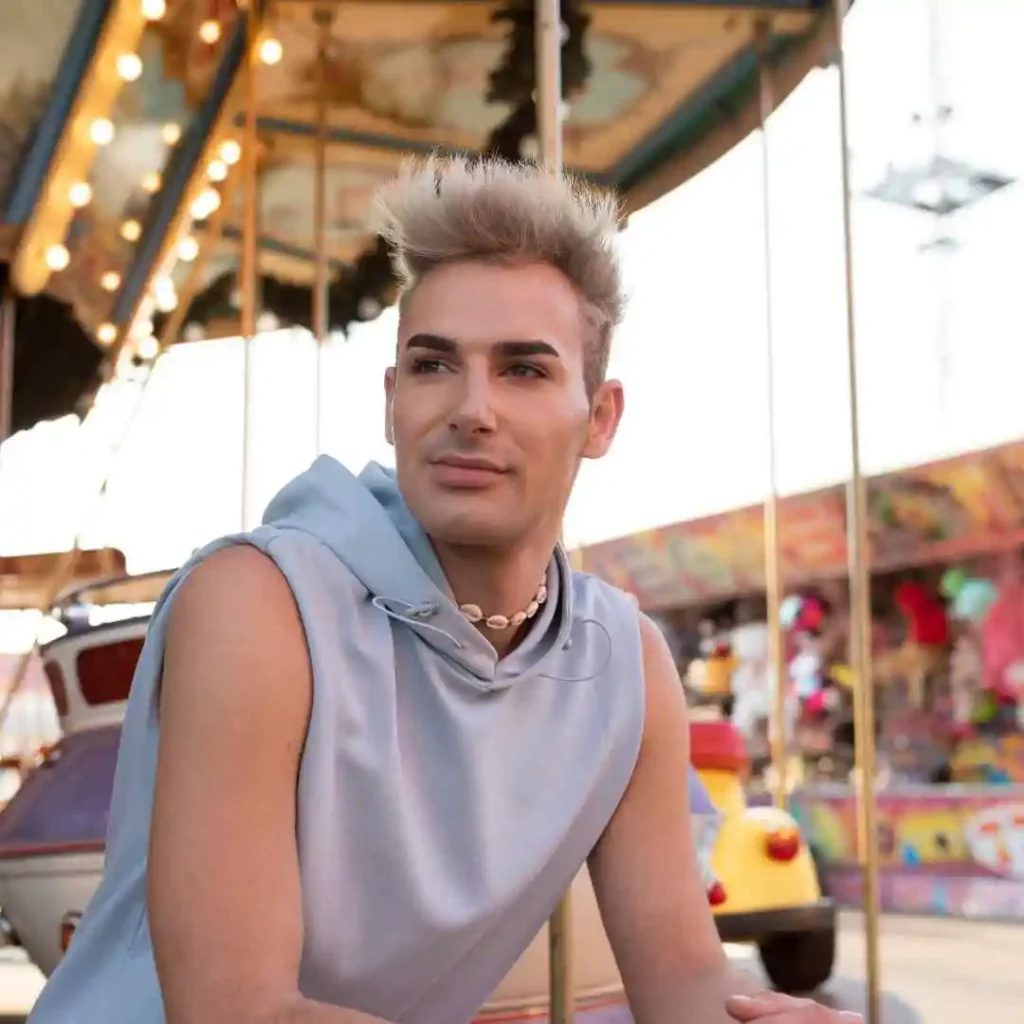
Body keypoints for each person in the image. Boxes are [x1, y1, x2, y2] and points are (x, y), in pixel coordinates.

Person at [29, 157, 859, 1023]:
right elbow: (237, 1010)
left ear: (600, 417)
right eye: (433, 365)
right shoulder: (260, 604)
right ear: (394, 401)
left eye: (524, 370)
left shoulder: (624, 662)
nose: (471, 408)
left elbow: (685, 977)